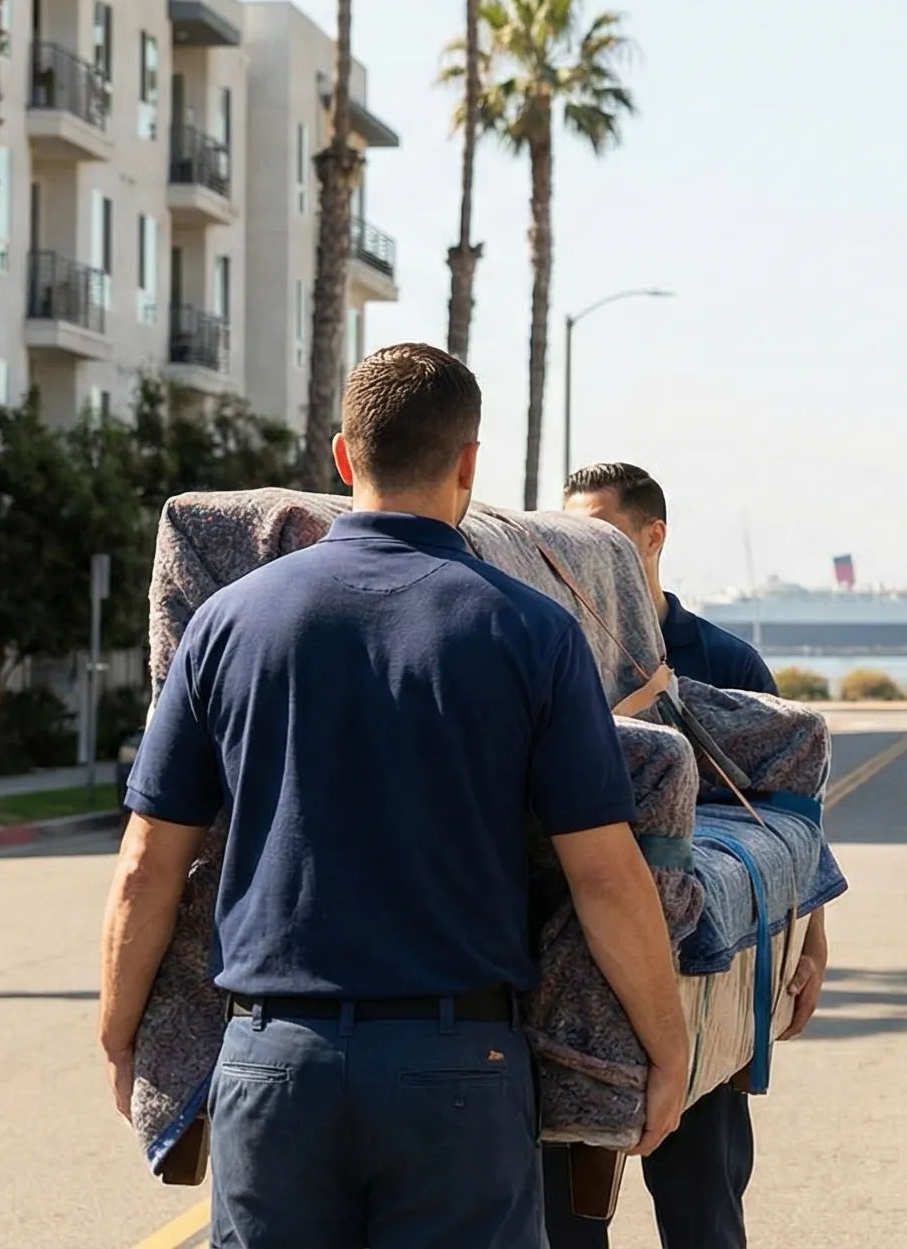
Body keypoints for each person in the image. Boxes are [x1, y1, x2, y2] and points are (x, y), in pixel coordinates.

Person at [97, 345, 689, 1249]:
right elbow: (605, 876)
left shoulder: (226, 622)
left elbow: (147, 864)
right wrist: (666, 1044)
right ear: (467, 464)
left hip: (272, 1062)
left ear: (344, 457)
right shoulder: (532, 631)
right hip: (458, 1067)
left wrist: (120, 1036)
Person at [551, 462, 833, 1249]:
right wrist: (620, 720)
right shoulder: (551, 651)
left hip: (704, 978)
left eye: (603, 532)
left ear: (653, 536)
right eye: (571, 537)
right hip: (577, 977)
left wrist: (808, 940)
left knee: (703, 1208)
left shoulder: (724, 660)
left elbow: (789, 806)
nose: (587, 553)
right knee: (566, 1220)